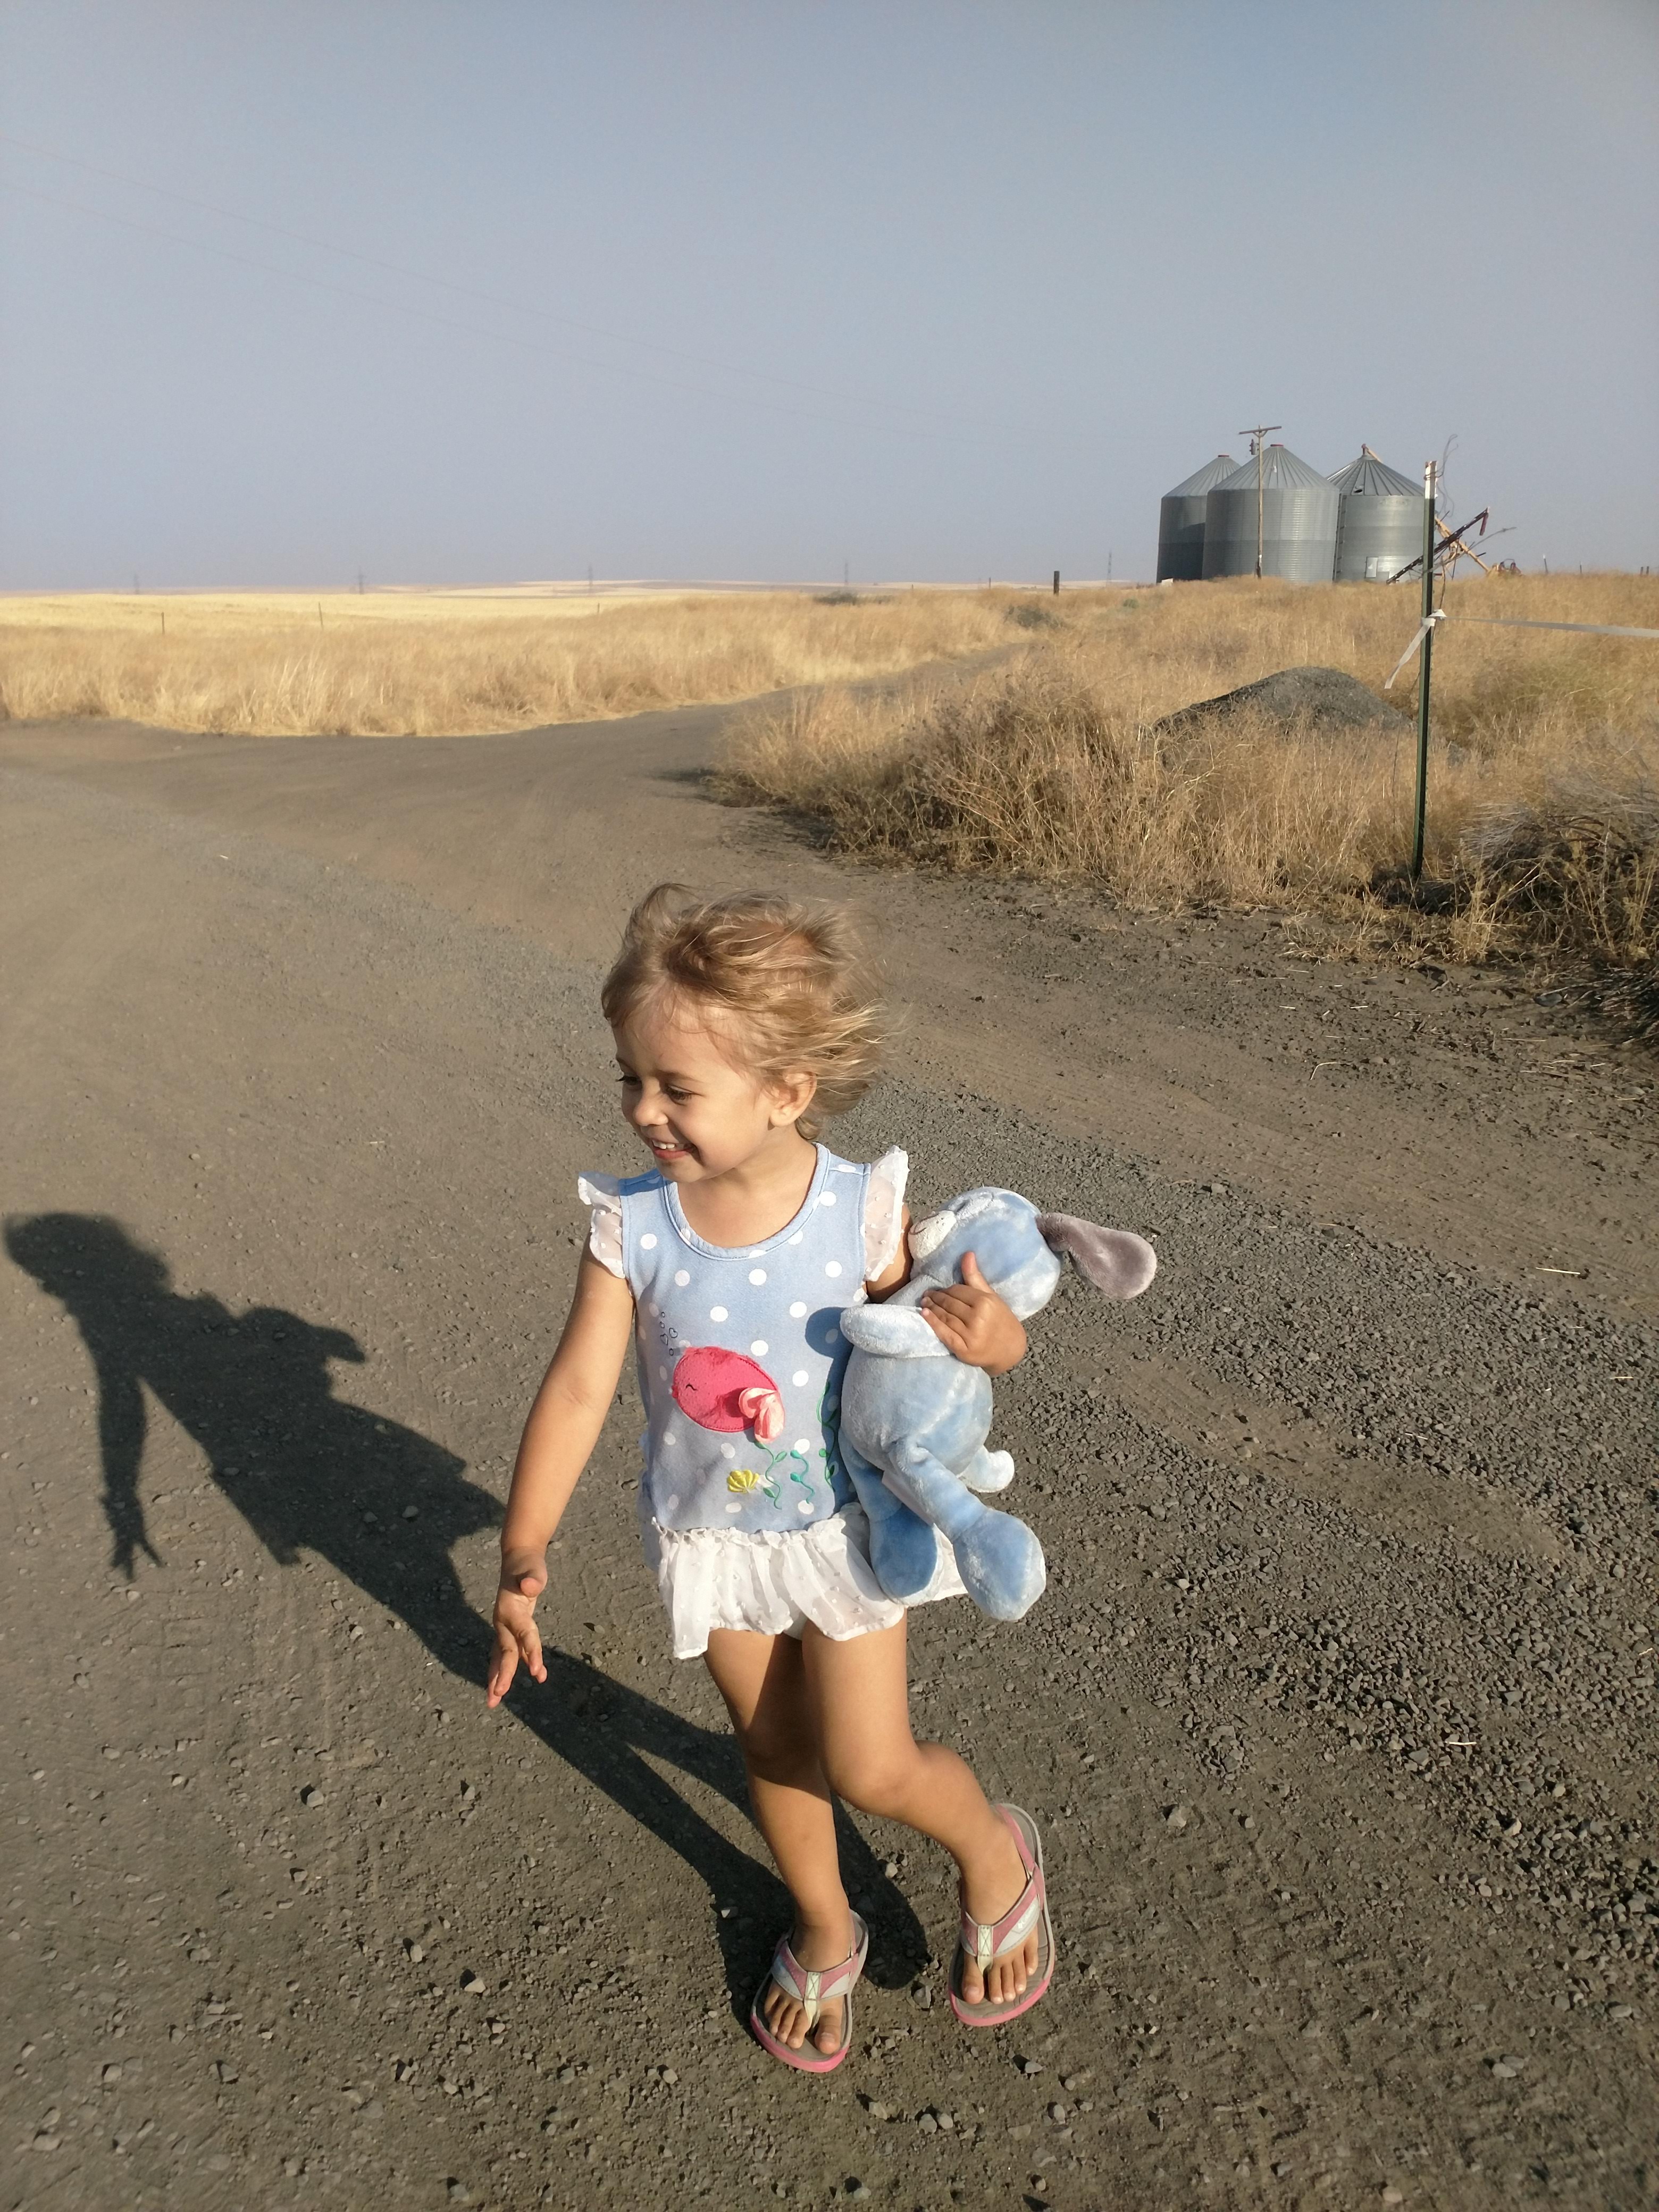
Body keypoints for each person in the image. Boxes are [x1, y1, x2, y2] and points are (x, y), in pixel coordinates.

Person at [487, 885, 1053, 2073]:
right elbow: (581, 1387)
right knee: (776, 1745)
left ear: (787, 1092)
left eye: (677, 1087)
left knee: (871, 1764)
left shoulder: (863, 1213)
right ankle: (826, 1922)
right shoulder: (631, 1225)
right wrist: (524, 1544)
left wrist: (996, 1344)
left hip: (846, 1535)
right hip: (715, 1541)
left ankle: (993, 1854)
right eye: (630, 1078)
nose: (643, 1110)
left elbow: (933, 1350)